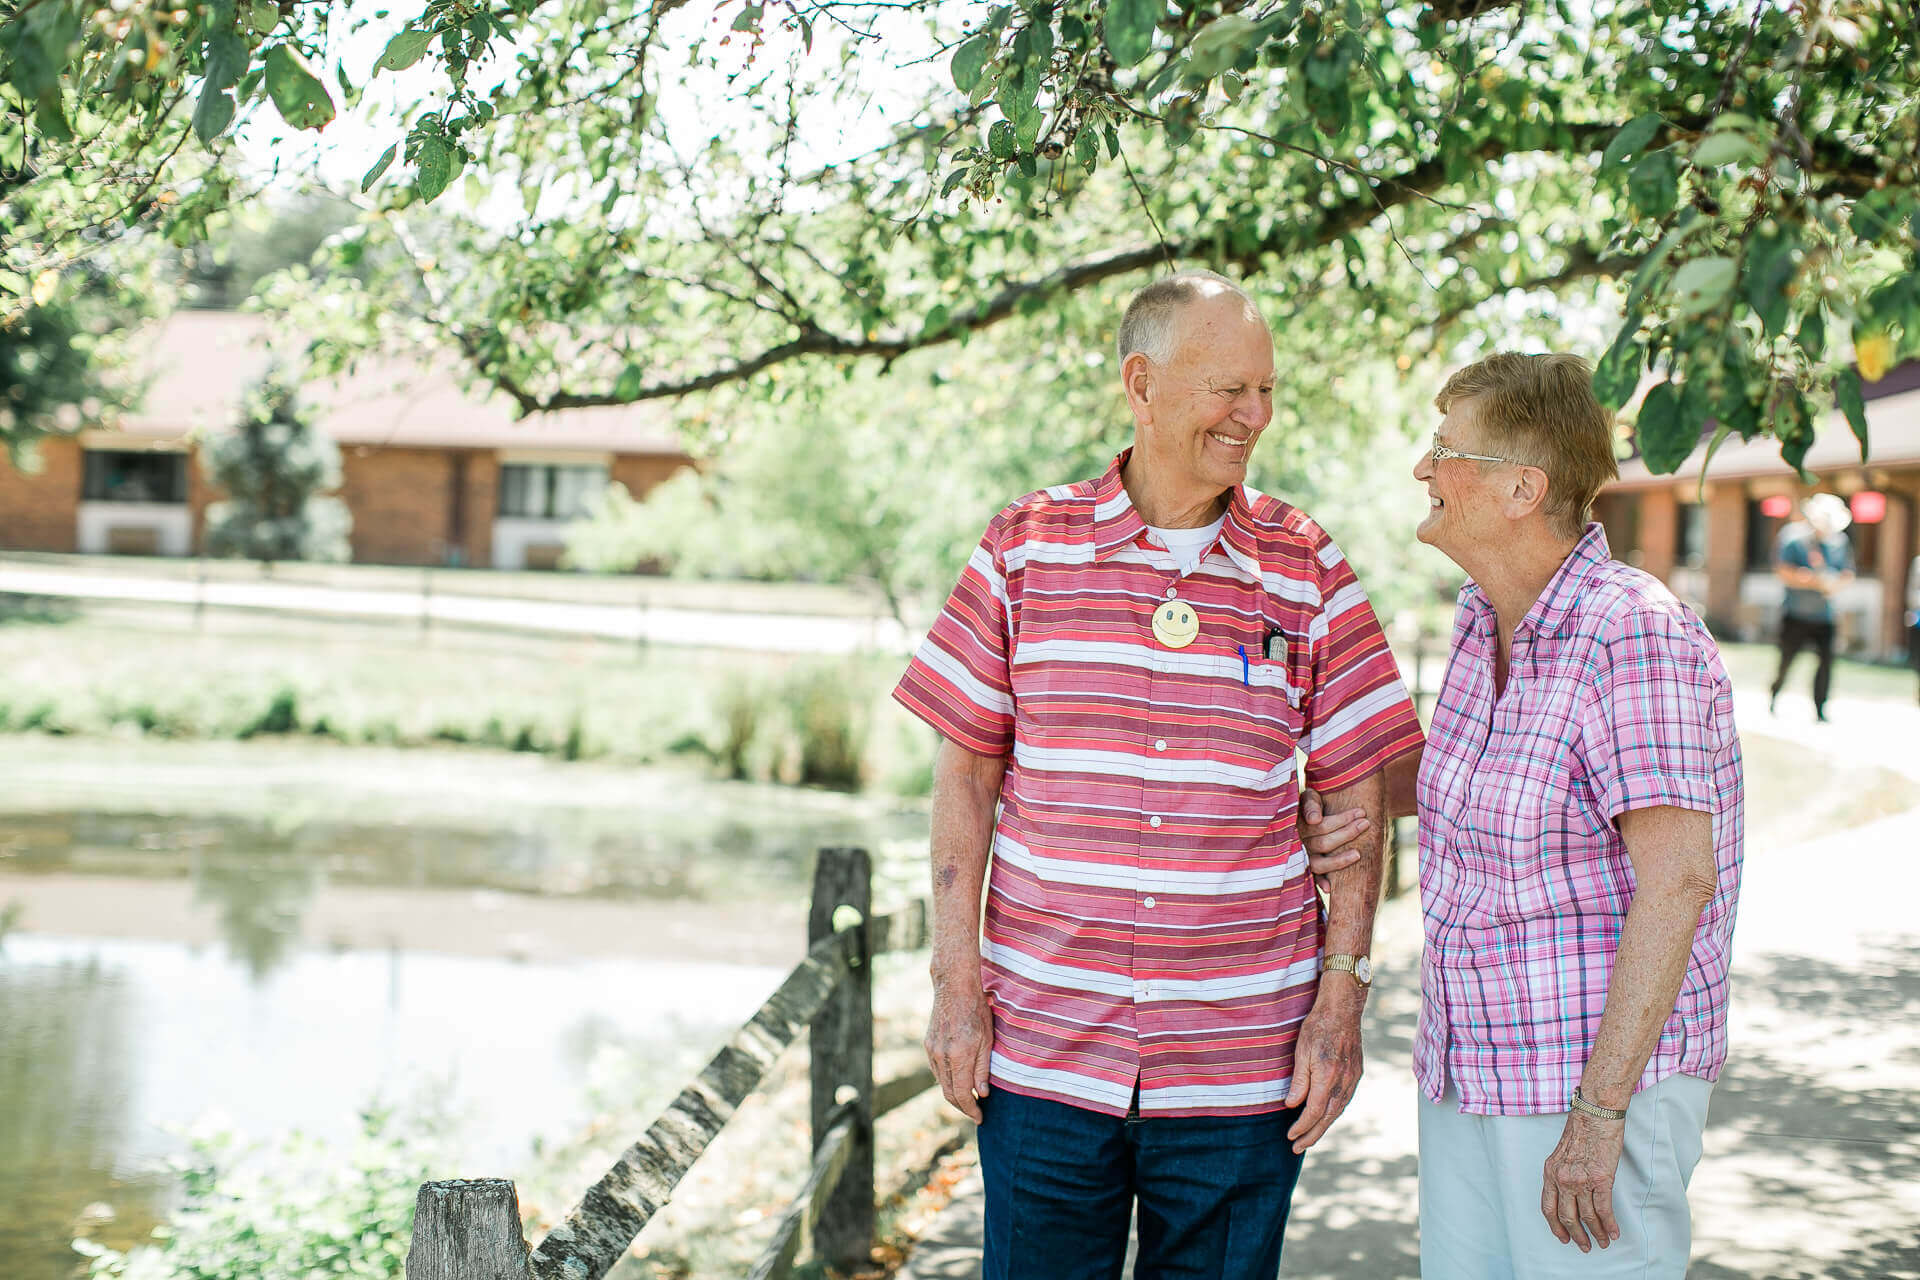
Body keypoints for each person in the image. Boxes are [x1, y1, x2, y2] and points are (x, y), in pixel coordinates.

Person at [892, 270, 1424, 1279]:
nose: (1253, 415)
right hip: (1045, 1048)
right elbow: (963, 778)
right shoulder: (1023, 545)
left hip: (1242, 1065)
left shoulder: (1308, 564)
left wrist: (1343, 997)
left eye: (1265, 390)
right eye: (1230, 387)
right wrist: (955, 982)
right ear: (1141, 381)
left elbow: (1360, 797)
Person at [1307, 353, 1745, 1278]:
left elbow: (1679, 880)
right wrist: (1323, 803)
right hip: (1471, 1069)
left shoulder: (1631, 629)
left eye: (1441, 449)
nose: (1423, 469)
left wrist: (1599, 1114)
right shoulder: (1483, 619)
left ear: (1520, 487)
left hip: (1589, 1087)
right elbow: (1467, 793)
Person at [1768, 492, 1855, 721]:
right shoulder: (1793, 537)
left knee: (1826, 664)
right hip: (1795, 612)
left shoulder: (1839, 542)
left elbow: (1848, 573)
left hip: (1825, 614)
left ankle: (1820, 708)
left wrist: (1832, 584)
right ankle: (1774, 696)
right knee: (1787, 660)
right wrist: (1810, 580)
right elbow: (1782, 571)